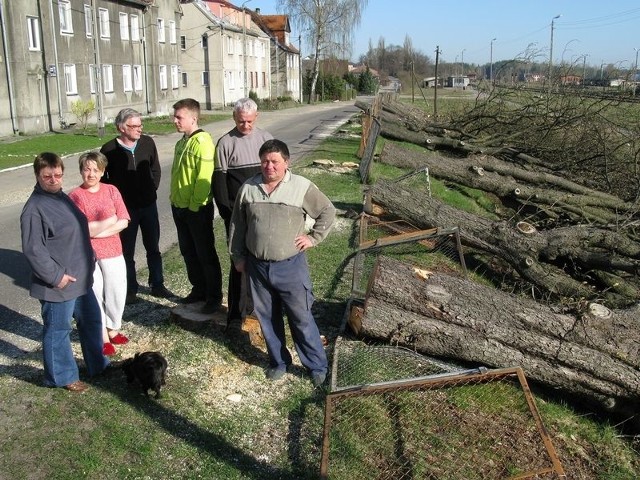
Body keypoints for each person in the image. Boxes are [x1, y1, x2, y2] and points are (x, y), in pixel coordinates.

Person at [229, 139, 335, 387]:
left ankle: (316, 365)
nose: (269, 166)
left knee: (301, 317)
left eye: (275, 161)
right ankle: (279, 362)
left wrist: (313, 237)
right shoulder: (248, 187)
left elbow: (327, 211)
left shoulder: (301, 186)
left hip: (290, 266)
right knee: (267, 318)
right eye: (265, 161)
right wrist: (238, 257)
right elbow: (237, 225)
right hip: (257, 267)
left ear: (286, 162)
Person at [20, 152, 110, 392]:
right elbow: (33, 250)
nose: (53, 179)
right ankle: (62, 377)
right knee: (58, 330)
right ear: (38, 175)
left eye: (58, 174)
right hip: (58, 284)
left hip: (80, 279)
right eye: (47, 176)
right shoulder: (34, 208)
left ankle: (99, 365)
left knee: (91, 321)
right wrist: (56, 277)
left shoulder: (62, 198)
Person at [100, 108, 174, 304]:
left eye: (141, 125)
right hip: (125, 211)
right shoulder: (108, 150)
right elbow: (104, 181)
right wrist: (115, 203)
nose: (139, 129)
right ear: (121, 128)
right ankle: (130, 289)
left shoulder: (148, 143)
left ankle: (157, 285)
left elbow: (155, 169)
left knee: (153, 248)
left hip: (148, 205)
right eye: (134, 126)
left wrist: (152, 189)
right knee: (127, 251)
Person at [213, 98, 273, 327]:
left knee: (261, 261)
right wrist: (228, 213)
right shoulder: (225, 142)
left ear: (256, 117)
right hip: (236, 215)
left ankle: (258, 309)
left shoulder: (267, 139)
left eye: (249, 121)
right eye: (240, 122)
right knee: (239, 263)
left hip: (262, 214)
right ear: (234, 118)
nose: (245, 126)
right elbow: (219, 183)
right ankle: (236, 314)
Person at [69, 151, 131, 356]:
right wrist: (108, 221)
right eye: (87, 169)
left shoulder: (112, 190)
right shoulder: (75, 196)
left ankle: (113, 328)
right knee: (96, 293)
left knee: (116, 290)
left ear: (103, 172)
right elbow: (80, 230)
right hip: (89, 255)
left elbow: (123, 220)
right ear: (81, 171)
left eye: (96, 169)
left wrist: (95, 231)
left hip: (113, 250)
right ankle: (102, 335)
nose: (91, 173)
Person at [170, 98, 223, 314]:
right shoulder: (182, 142)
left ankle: (213, 296)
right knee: (188, 252)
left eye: (179, 117)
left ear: (193, 118)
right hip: (179, 207)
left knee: (204, 253)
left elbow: (204, 178)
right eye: (174, 117)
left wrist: (193, 207)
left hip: (196, 209)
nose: (175, 121)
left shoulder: (202, 142)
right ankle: (198, 289)